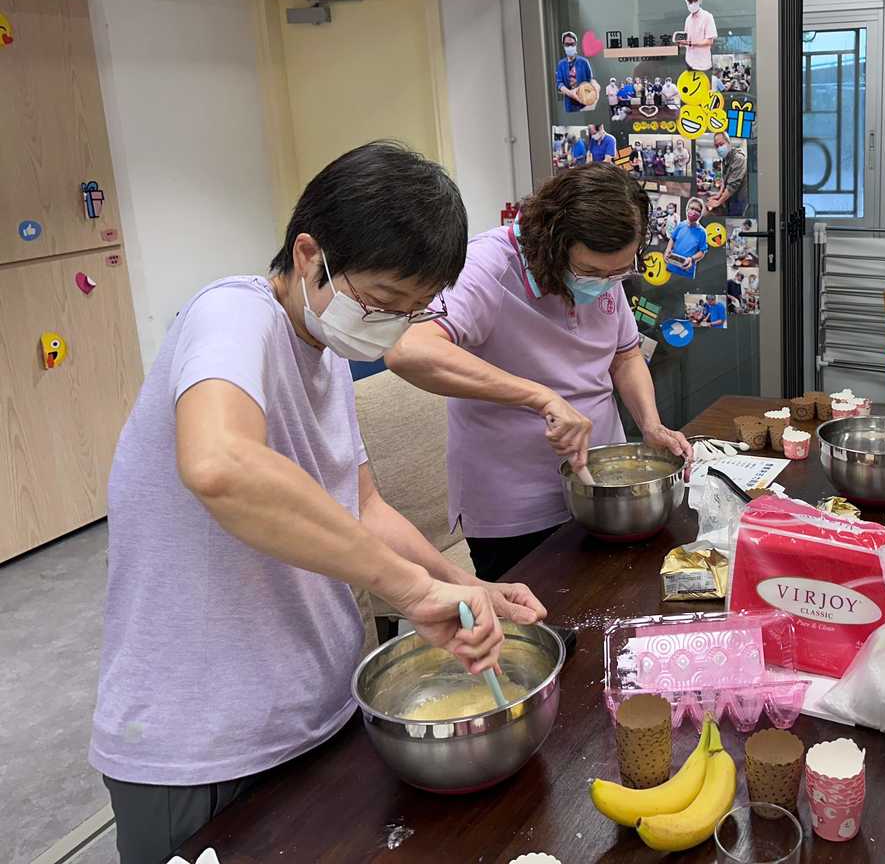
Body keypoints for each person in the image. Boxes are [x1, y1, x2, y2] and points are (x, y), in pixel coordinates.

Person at [91, 143, 545, 863]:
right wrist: (409, 588)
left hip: (318, 712)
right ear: (310, 256)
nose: (392, 327)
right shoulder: (232, 318)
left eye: (413, 311)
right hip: (203, 746)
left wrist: (464, 583)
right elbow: (220, 465)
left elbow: (362, 505)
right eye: (382, 303)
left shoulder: (325, 358)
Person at [385, 163, 691, 582]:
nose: (605, 284)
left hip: (607, 487)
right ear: (551, 242)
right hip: (517, 506)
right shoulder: (485, 268)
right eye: (590, 272)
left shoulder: (606, 270)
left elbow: (625, 355)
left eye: (617, 272)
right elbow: (410, 351)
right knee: (540, 626)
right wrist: (539, 396)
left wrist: (651, 425)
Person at [664, 197, 710, 280]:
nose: (694, 211)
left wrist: (691, 259)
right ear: (687, 209)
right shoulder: (681, 225)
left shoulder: (702, 232)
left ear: (701, 214)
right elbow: (672, 238)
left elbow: (702, 252)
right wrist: (668, 249)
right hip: (671, 267)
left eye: (698, 210)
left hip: (686, 271)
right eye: (692, 208)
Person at [705, 130, 748, 217]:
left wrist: (718, 202)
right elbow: (724, 180)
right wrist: (718, 195)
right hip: (729, 199)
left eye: (721, 144)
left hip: (739, 201)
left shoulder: (738, 159)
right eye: (716, 146)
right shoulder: (725, 160)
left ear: (729, 143)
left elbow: (732, 185)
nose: (719, 148)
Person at [554, 30, 594, 113]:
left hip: (584, 103)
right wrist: (570, 93)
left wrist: (581, 92)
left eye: (572, 44)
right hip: (569, 105)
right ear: (563, 45)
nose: (569, 47)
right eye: (567, 45)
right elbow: (559, 83)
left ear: (576, 44)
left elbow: (589, 80)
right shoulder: (561, 64)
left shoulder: (584, 62)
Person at [677, 0, 717, 72]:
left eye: (695, 0)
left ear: (700, 0)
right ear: (687, 3)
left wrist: (690, 43)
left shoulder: (707, 16)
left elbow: (709, 41)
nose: (692, 3)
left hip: (703, 64)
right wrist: (681, 43)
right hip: (689, 62)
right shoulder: (688, 19)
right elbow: (687, 40)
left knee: (704, 85)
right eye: (690, 1)